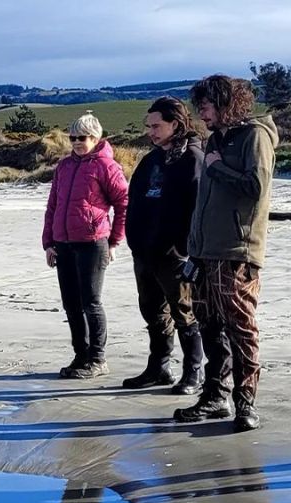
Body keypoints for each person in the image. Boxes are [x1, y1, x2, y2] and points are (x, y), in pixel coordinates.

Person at [174, 75, 279, 432]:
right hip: (204, 252)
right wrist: (193, 250)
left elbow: (256, 188)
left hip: (237, 252)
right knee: (209, 326)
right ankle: (214, 396)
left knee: (241, 329)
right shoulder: (216, 139)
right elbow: (204, 201)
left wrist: (216, 166)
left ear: (225, 102)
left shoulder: (255, 137)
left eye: (205, 105)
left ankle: (245, 403)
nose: (200, 113)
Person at [122, 96, 205, 393]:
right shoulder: (150, 160)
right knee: (152, 311)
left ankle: (194, 371)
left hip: (176, 254)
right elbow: (135, 202)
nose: (151, 131)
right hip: (145, 252)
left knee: (184, 311)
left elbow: (198, 208)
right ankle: (158, 367)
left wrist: (185, 249)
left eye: (157, 126)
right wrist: (134, 240)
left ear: (176, 123)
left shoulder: (194, 158)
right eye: (148, 126)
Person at [42, 111, 129, 378]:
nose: (77, 142)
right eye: (73, 137)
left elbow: (123, 204)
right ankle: (80, 355)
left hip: (93, 243)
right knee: (71, 303)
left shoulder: (107, 166)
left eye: (83, 137)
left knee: (91, 302)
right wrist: (48, 242)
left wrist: (114, 241)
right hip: (63, 243)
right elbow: (53, 206)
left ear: (96, 137)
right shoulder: (65, 166)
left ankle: (98, 359)